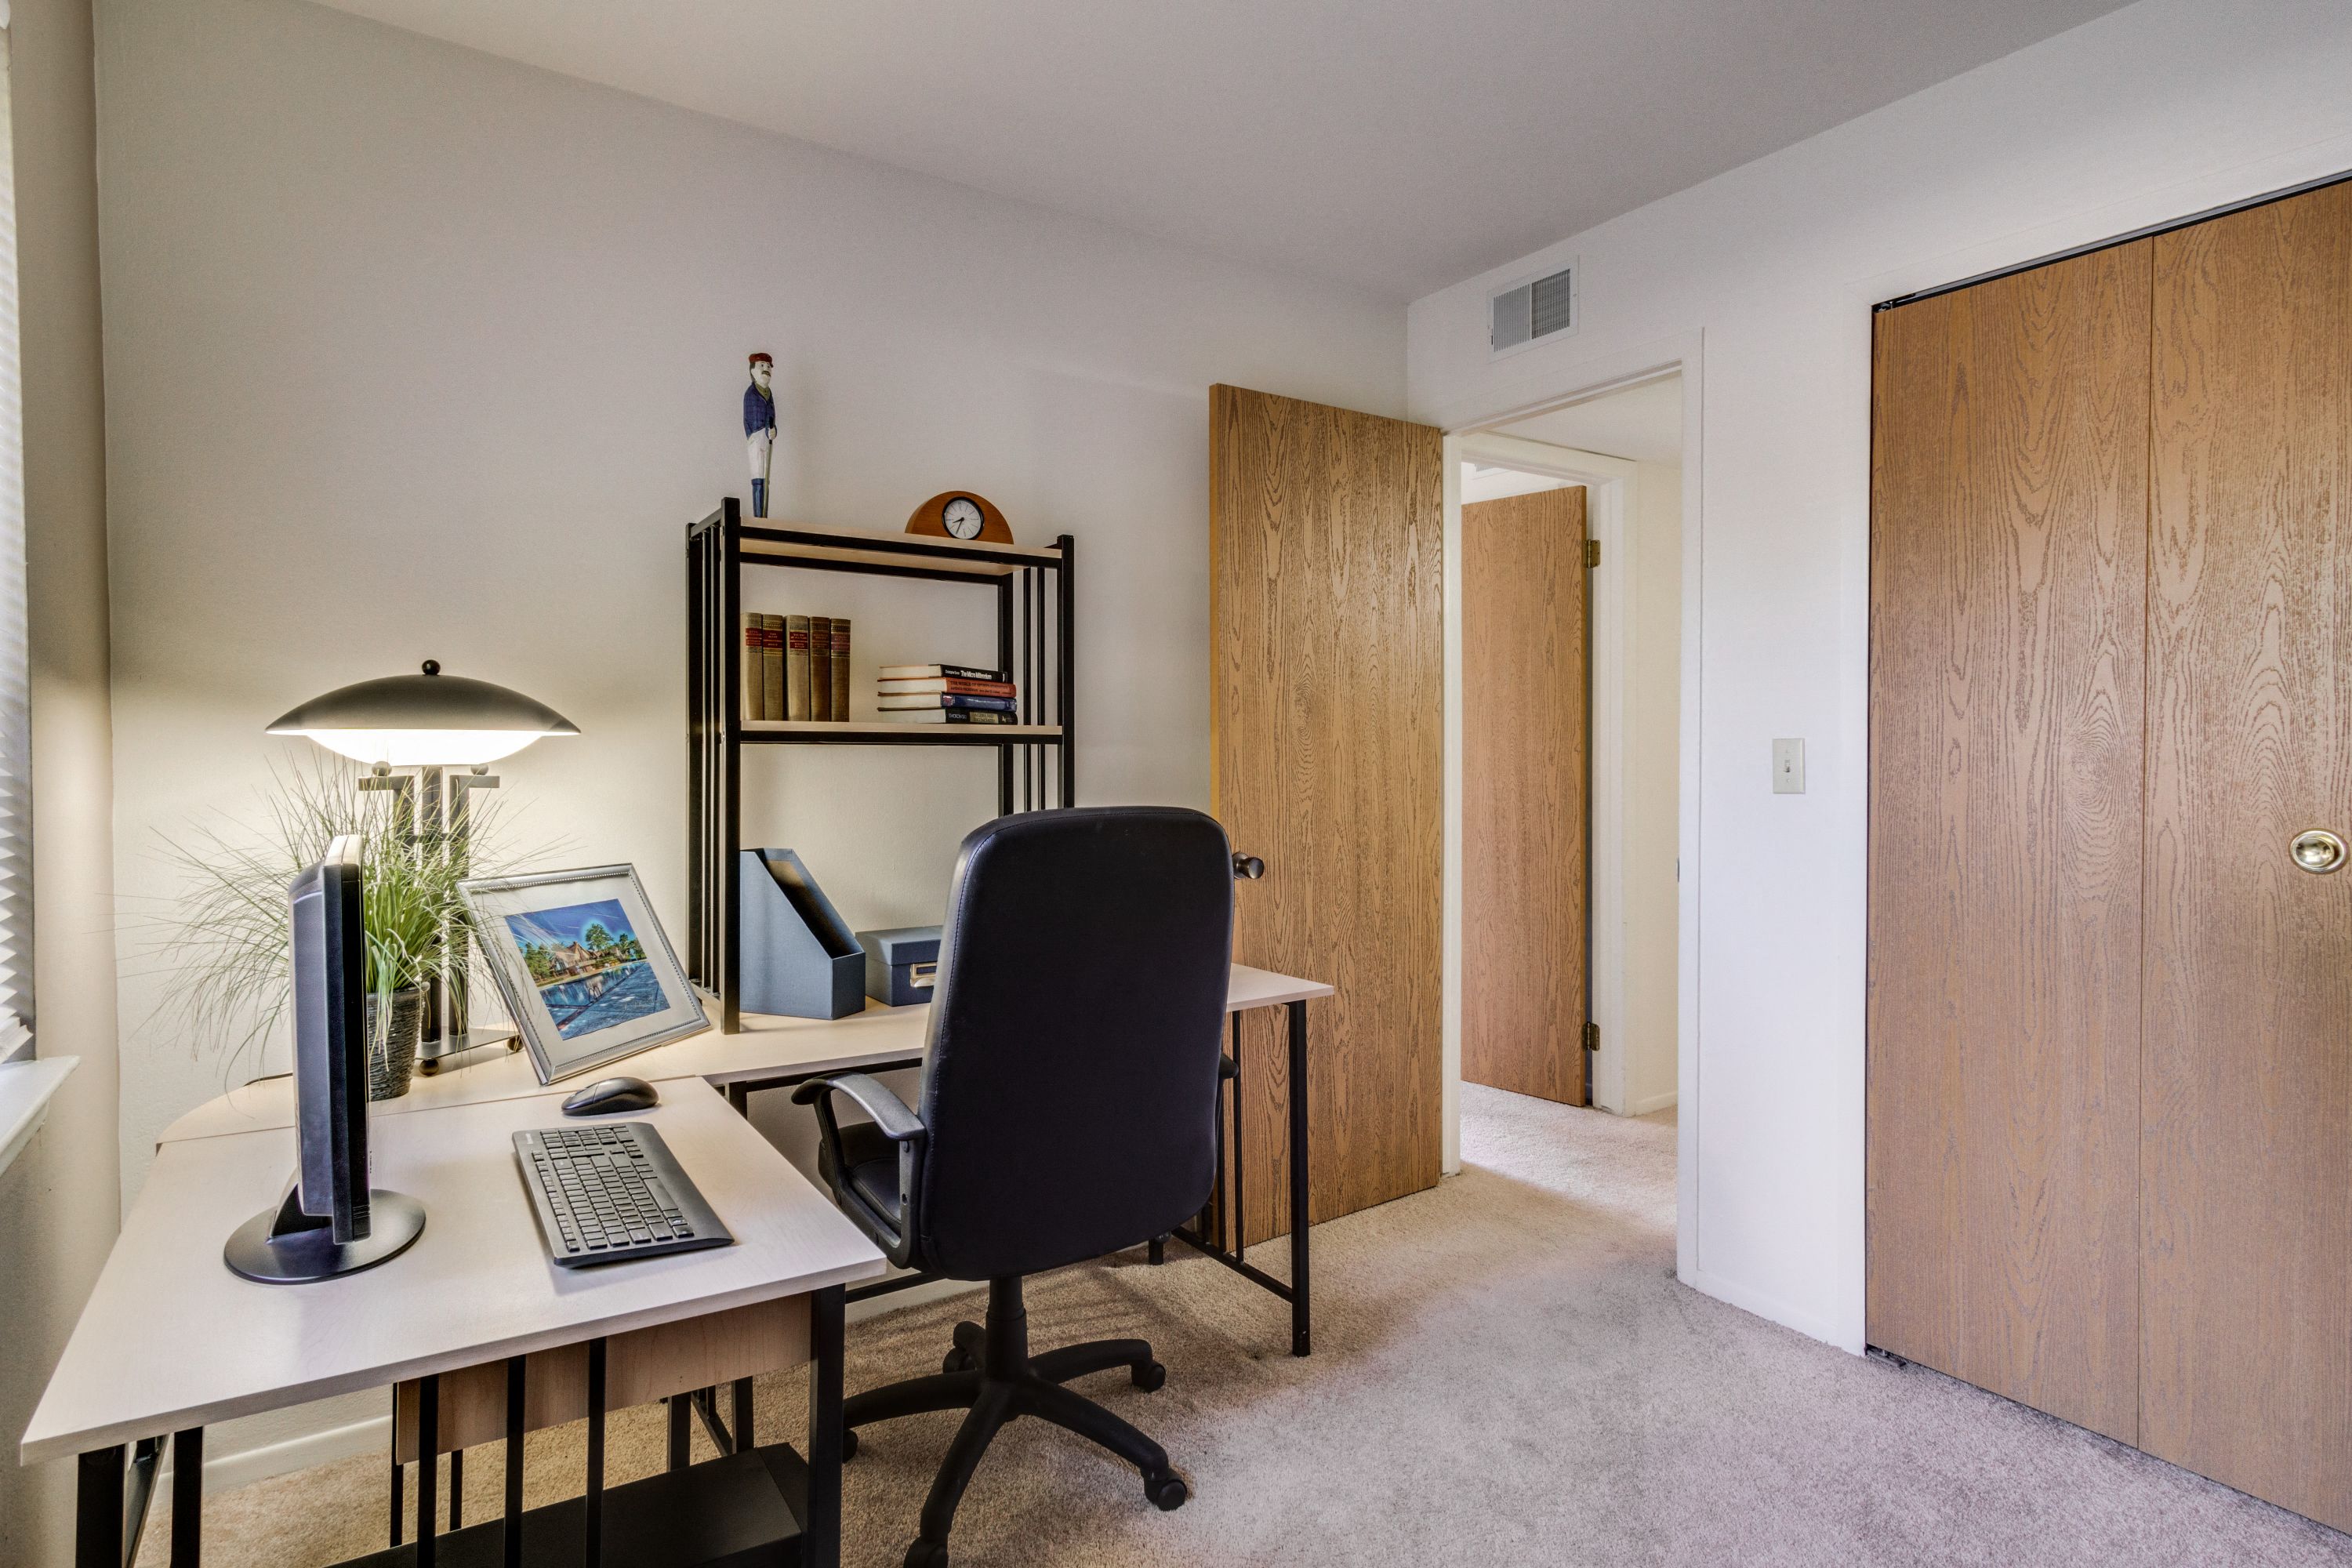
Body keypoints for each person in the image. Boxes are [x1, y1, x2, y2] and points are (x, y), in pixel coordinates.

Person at [745, 352, 777, 517]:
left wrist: (773, 429)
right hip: (756, 437)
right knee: (758, 477)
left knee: (766, 476)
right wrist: (756, 433)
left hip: (767, 437)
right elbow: (749, 418)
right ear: (753, 370)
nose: (766, 369)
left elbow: (772, 416)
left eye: (768, 366)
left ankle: (764, 515)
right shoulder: (751, 394)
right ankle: (759, 515)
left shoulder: (769, 394)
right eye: (762, 366)